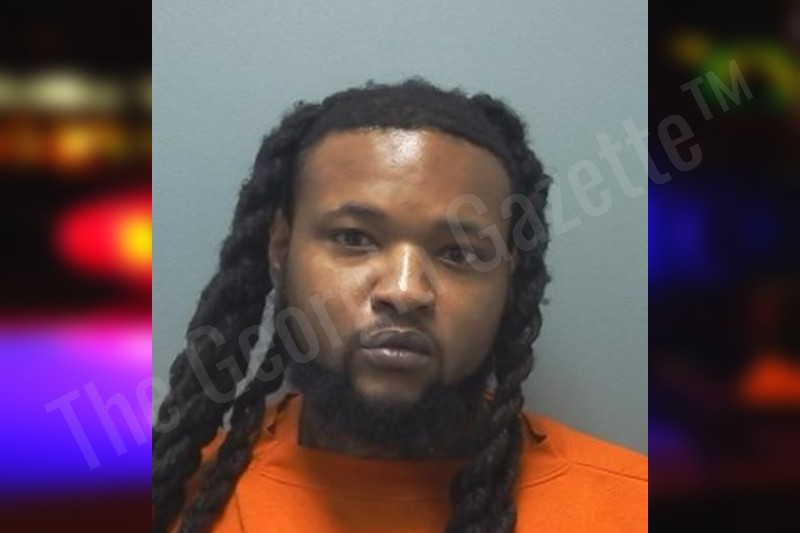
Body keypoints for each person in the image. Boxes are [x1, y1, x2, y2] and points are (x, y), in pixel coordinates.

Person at [152, 79, 647, 533]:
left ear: (508, 275)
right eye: (354, 238)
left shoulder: (632, 509)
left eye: (458, 253)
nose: (405, 291)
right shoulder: (170, 498)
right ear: (280, 249)